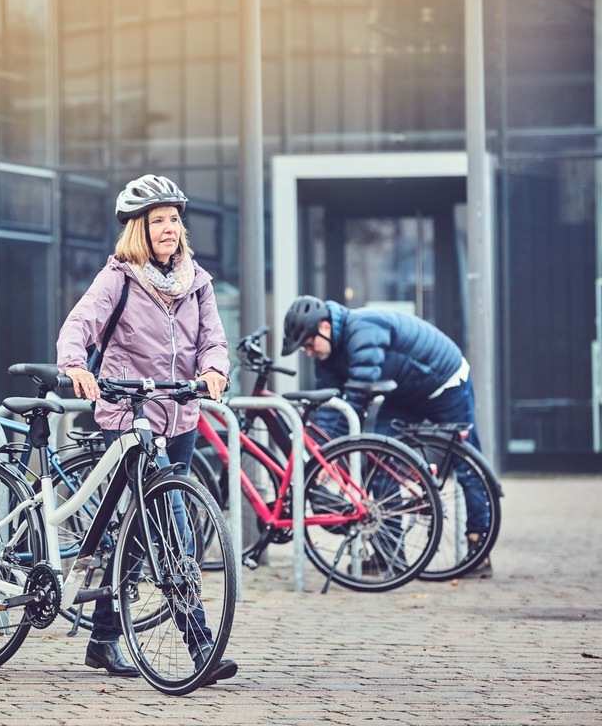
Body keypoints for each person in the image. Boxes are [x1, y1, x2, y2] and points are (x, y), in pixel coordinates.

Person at [56, 174, 237, 684]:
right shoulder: (119, 278)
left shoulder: (197, 282)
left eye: (174, 220)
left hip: (181, 416)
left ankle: (102, 639)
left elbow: (213, 340)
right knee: (170, 525)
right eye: (158, 221)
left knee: (137, 535)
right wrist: (76, 366)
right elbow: (79, 325)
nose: (168, 229)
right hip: (130, 416)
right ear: (139, 229)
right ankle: (201, 645)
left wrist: (215, 371)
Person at [280, 295, 494, 578]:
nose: (307, 352)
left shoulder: (364, 329)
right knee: (381, 464)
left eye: (308, 344)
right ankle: (389, 554)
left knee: (467, 468)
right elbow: (334, 410)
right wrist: (323, 454)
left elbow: (357, 397)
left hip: (446, 384)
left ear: (325, 327)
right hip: (403, 394)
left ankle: (479, 550)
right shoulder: (327, 356)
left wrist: (330, 455)